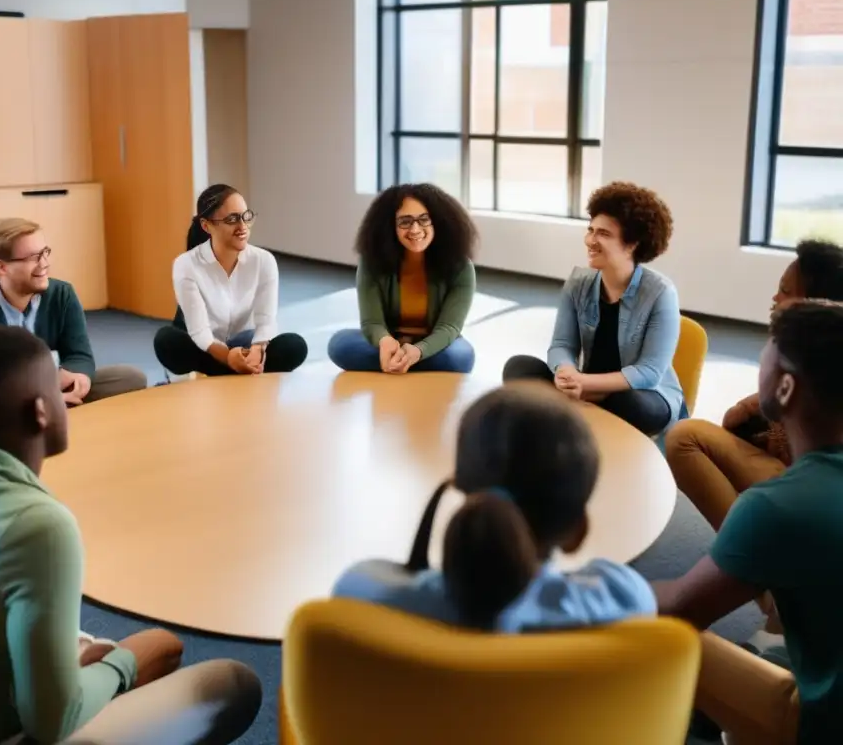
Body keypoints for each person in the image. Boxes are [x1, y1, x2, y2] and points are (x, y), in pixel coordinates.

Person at [0, 326, 262, 745]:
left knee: (157, 646)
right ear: (41, 411)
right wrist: (121, 668)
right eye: (57, 387)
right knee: (230, 681)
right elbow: (53, 720)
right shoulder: (39, 523)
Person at [652, 300, 843, 744]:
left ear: (786, 387)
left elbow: (678, 608)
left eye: (766, 350)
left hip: (825, 725)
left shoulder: (778, 506)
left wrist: (599, 582)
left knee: (669, 640)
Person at [332, 383, 655, 631]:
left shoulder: (362, 597)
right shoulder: (626, 601)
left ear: (464, 497)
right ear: (577, 531)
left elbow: (366, 577)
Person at [665, 239, 843, 531]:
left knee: (685, 439)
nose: (775, 298)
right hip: (804, 474)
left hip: (816, 484)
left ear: (817, 306)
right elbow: (741, 419)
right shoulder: (802, 355)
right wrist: (753, 409)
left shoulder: (821, 369)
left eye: (785, 292)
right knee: (688, 434)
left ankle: (751, 544)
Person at [502, 181, 682, 437]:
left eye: (604, 234)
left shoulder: (661, 292)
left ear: (632, 244)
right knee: (518, 368)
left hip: (644, 396)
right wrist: (566, 372)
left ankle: (566, 417)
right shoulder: (577, 284)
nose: (590, 240)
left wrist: (585, 383)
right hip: (585, 386)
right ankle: (574, 417)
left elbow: (649, 373)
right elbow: (562, 345)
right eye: (591, 230)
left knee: (626, 403)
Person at [0, 217, 147, 406]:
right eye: (33, 257)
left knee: (129, 378)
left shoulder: (62, 294)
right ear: (2, 268)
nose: (45, 264)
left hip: (51, 389)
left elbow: (79, 355)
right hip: (1, 407)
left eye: (45, 252)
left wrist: (78, 376)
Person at [153, 184, 309, 376]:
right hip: (206, 348)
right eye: (232, 219)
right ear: (206, 225)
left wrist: (257, 349)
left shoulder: (264, 261)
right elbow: (200, 332)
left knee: (294, 346)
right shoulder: (186, 264)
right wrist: (228, 358)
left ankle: (233, 370)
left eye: (246, 216)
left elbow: (265, 321)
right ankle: (233, 371)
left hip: (244, 342)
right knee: (166, 341)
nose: (242, 226)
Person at [327, 183, 478, 374]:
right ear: (390, 227)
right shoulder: (372, 263)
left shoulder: (461, 267)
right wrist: (385, 341)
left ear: (439, 222)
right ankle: (406, 362)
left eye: (424, 220)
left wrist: (418, 351)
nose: (415, 229)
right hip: (391, 343)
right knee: (340, 346)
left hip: (434, 346)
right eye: (405, 222)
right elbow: (372, 323)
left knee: (458, 357)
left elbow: (449, 328)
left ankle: (400, 363)